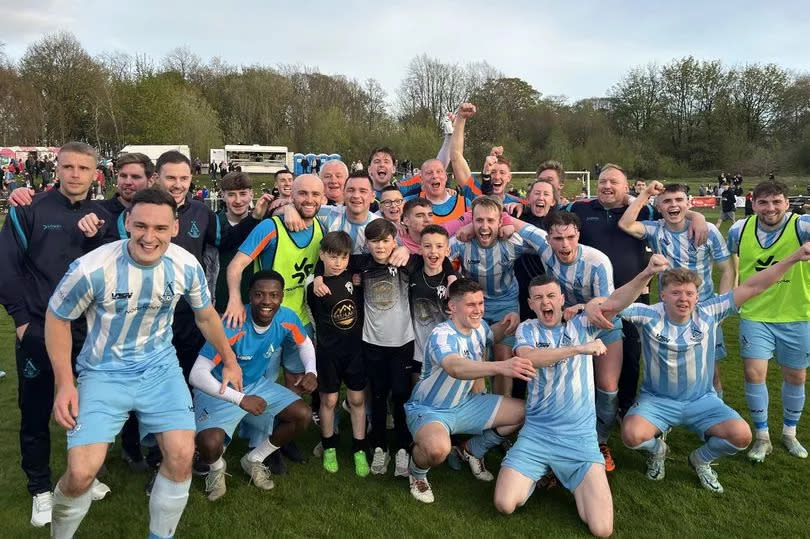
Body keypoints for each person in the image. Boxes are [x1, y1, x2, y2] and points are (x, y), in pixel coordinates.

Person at [45, 187, 242, 538]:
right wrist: (64, 383)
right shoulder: (92, 267)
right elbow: (57, 317)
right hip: (103, 374)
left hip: (159, 371)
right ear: (127, 223)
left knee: (182, 456)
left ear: (175, 228)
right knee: (79, 474)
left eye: (160, 229)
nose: (149, 237)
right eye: (141, 226)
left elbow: (206, 315)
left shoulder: (186, 264)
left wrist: (229, 359)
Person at [494, 255, 670, 537]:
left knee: (602, 529)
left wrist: (647, 272)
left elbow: (615, 302)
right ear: (530, 304)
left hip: (579, 439)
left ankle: (567, 474)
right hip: (537, 435)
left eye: (551, 296)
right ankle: (543, 471)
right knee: (505, 504)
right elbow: (532, 359)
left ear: (562, 299)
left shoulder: (581, 324)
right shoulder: (527, 329)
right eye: (537, 298)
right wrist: (578, 349)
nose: (545, 302)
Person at [614, 242, 810, 493]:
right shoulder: (648, 314)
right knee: (631, 436)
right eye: (675, 293)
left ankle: (701, 459)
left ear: (697, 296)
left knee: (741, 436)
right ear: (663, 295)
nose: (683, 299)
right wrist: (646, 274)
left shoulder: (710, 311)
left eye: (689, 293)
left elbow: (754, 285)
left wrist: (793, 257)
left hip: (701, 400)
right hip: (658, 400)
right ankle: (658, 450)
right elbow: (614, 304)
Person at [563, 163, 708, 465]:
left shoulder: (642, 211)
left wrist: (697, 215)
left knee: (630, 354)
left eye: (613, 182)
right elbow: (556, 218)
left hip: (634, 296)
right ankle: (586, 410)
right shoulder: (580, 207)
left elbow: (675, 211)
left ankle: (624, 408)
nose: (606, 186)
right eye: (602, 181)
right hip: (590, 300)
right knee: (587, 358)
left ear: (625, 185)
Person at [0, 142, 113, 527]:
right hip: (38, 329)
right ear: (57, 169)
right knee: (34, 410)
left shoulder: (103, 216)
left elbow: (114, 269)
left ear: (95, 173)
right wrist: (21, 320)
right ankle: (40, 489)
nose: (76, 174)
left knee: (86, 408)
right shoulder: (29, 209)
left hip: (89, 332)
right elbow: (7, 269)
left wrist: (95, 238)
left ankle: (85, 473)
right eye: (69, 167)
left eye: (84, 168)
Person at [224, 174, 324, 470]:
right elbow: (237, 264)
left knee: (294, 382)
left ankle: (282, 435)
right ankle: (260, 442)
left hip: (298, 318)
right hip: (265, 319)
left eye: (315, 195)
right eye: (302, 194)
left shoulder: (320, 226)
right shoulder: (271, 227)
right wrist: (233, 298)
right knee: (263, 383)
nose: (309, 200)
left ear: (323, 198)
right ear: (290, 194)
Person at [405, 278, 534, 503]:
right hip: (430, 410)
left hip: (465, 405)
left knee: (525, 411)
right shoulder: (442, 335)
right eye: (471, 305)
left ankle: (471, 449)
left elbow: (491, 333)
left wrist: (508, 324)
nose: (478, 310)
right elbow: (455, 367)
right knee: (437, 451)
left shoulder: (478, 327)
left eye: (480, 303)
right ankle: (417, 473)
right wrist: (500, 366)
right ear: (452, 307)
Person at [190, 270, 315, 501]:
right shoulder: (232, 324)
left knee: (303, 415)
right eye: (259, 294)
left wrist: (311, 371)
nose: (267, 301)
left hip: (255, 385)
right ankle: (216, 469)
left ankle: (254, 460)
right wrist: (240, 399)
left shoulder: (286, 317)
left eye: (274, 295)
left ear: (281, 297)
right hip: (218, 389)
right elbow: (196, 374)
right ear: (250, 296)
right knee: (208, 443)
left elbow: (304, 343)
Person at [618, 182, 734, 397]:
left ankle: (713, 413)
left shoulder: (708, 230)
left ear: (688, 203)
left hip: (705, 309)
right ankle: (666, 413)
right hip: (668, 310)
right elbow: (626, 224)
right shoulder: (655, 229)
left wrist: (722, 309)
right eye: (667, 201)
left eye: (679, 200)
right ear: (659, 207)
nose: (674, 205)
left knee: (711, 369)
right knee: (667, 366)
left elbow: (727, 270)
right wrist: (645, 193)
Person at [726, 180, 810, 462]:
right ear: (754, 204)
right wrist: (729, 294)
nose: (770, 208)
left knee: (796, 376)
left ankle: (789, 432)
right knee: (753, 374)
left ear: (787, 203)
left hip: (797, 314)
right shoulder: (739, 229)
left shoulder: (803, 226)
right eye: (763, 202)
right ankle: (762, 436)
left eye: (777, 202)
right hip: (755, 314)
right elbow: (731, 263)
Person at [306, 232, 370, 476]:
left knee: (356, 400)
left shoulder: (354, 279)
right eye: (332, 257)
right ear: (322, 255)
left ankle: (359, 449)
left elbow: (361, 262)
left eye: (343, 258)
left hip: (354, 351)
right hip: (328, 353)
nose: (338, 263)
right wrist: (317, 277)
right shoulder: (315, 287)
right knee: (329, 401)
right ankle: (329, 445)